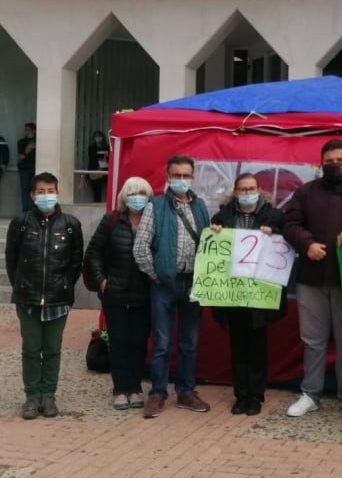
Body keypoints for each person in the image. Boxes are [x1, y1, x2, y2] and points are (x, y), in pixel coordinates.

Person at [282, 139, 342, 419]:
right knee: (313, 340)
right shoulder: (305, 192)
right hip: (311, 279)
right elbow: (290, 224)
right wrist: (307, 243)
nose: (335, 165)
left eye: (340, 160)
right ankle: (310, 394)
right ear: (321, 163)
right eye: (329, 161)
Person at [133, 155, 212, 418]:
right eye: (176, 175)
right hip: (164, 284)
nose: (181, 180)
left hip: (193, 283)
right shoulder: (154, 206)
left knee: (190, 342)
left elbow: (209, 241)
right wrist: (155, 275)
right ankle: (157, 393)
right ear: (167, 177)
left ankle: (186, 391)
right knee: (163, 343)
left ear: (192, 177)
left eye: (185, 175)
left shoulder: (200, 207)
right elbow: (141, 245)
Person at [4, 172, 83, 419]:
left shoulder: (71, 225)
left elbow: (75, 262)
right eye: (41, 191)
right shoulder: (21, 222)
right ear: (32, 195)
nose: (46, 196)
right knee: (31, 348)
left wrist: (64, 287)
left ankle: (48, 395)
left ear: (58, 193)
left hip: (58, 299)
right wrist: (21, 286)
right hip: (28, 298)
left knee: (52, 349)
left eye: (50, 191)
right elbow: (11, 260)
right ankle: (31, 397)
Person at [208, 173, 286, 416]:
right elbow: (214, 245)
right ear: (235, 192)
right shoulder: (222, 216)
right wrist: (215, 231)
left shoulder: (274, 216)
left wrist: (274, 232)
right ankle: (240, 395)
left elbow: (286, 243)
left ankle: (256, 395)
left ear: (259, 190)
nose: (247, 193)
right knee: (237, 346)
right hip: (233, 293)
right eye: (242, 189)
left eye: (251, 188)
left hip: (259, 293)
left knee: (257, 347)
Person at [83, 176, 154, 411]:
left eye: (142, 193)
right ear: (124, 197)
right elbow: (93, 253)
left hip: (143, 295)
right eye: (132, 194)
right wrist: (103, 282)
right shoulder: (111, 220)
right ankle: (120, 389)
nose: (137, 198)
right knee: (119, 342)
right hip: (115, 295)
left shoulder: (154, 221)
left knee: (138, 343)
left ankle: (135, 388)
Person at [16, 123, 37, 213]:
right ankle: (25, 210)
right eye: (25, 130)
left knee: (34, 189)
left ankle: (32, 210)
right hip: (25, 168)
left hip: (35, 168)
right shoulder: (21, 142)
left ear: (34, 131)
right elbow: (21, 157)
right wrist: (28, 149)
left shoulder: (39, 141)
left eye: (28, 130)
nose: (26, 132)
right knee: (25, 189)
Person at [87, 130, 110, 203]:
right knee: (97, 187)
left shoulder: (107, 147)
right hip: (95, 170)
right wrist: (102, 155)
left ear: (103, 137)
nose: (98, 138)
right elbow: (92, 157)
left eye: (99, 136)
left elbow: (110, 157)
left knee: (110, 186)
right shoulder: (91, 147)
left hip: (106, 170)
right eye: (96, 136)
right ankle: (97, 202)